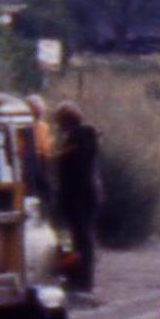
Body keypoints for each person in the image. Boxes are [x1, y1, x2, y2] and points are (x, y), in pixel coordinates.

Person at [46, 102, 103, 298]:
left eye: (59, 122)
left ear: (66, 121)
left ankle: (83, 281)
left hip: (82, 195)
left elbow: (72, 162)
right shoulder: (81, 136)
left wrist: (55, 157)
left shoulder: (81, 137)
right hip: (81, 194)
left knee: (83, 238)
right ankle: (77, 278)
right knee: (78, 238)